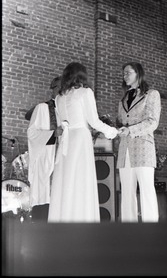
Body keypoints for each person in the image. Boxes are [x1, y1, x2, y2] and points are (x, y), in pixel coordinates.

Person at [48, 62, 119, 223]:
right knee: (81, 180)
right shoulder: (85, 92)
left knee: (66, 179)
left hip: (66, 140)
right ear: (82, 75)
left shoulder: (58, 98)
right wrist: (112, 132)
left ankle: (63, 218)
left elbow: (60, 125)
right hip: (80, 138)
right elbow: (93, 121)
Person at [116, 61, 161, 222]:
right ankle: (129, 230)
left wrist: (131, 130)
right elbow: (121, 121)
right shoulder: (123, 99)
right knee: (126, 192)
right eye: (124, 73)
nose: (125, 75)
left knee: (146, 189)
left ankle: (151, 231)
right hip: (124, 150)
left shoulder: (152, 94)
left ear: (138, 74)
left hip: (143, 148)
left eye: (128, 72)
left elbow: (152, 122)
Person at [27, 76, 63, 222]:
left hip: (62, 158)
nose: (62, 91)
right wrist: (53, 133)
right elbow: (31, 132)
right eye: (59, 88)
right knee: (44, 195)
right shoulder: (42, 108)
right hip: (45, 157)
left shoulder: (67, 110)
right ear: (52, 90)